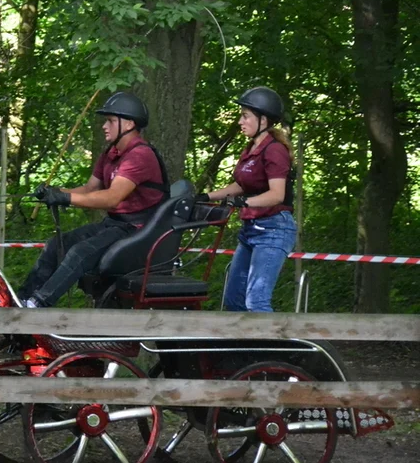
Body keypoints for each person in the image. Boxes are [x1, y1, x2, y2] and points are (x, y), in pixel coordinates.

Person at [19, 91, 169, 308]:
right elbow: (90, 188)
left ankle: (38, 304)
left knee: (80, 253)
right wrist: (55, 192)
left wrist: (66, 198)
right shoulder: (111, 153)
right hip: (115, 224)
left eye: (110, 121)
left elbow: (112, 198)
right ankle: (22, 299)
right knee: (56, 245)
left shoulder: (140, 155)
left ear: (128, 124)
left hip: (139, 230)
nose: (104, 126)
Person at [196, 86, 297, 312]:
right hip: (251, 229)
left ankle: (273, 347)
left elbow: (276, 195)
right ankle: (240, 347)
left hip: (273, 230)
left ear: (263, 120)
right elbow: (241, 185)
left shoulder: (274, 150)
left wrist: (243, 203)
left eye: (245, 116)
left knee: (256, 302)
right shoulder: (252, 147)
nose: (240, 121)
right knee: (233, 301)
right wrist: (205, 196)